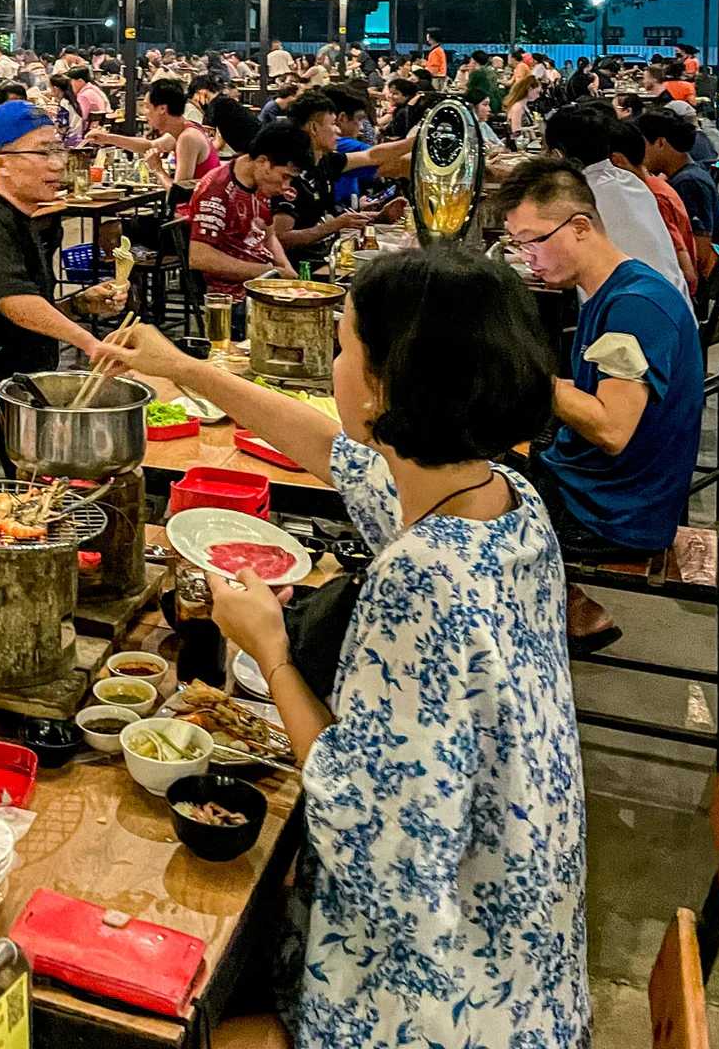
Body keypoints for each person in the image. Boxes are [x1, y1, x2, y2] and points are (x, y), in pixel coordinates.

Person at [101, 254, 587, 1049]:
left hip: (442, 1004)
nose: (331, 363)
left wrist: (272, 650)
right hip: (527, 970)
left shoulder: (423, 583)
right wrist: (186, 370)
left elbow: (365, 831)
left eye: (342, 345)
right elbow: (340, 455)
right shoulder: (505, 499)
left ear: (387, 384)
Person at [501, 156, 704, 653]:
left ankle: (542, 625)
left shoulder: (633, 307)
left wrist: (528, 375)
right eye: (518, 244)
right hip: (606, 484)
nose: (527, 257)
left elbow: (612, 428)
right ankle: (566, 609)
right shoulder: (615, 290)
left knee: (459, 484)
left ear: (580, 227)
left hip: (616, 511)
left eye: (533, 241)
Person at [0, 103, 108, 467]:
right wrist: (90, 342)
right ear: (2, 162)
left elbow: (17, 308)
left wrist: (78, 305)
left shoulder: (20, 219)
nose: (58, 164)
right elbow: (13, 301)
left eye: (58, 149)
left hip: (23, 408)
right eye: (43, 151)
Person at [542, 104, 691, 300]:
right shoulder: (630, 181)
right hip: (677, 308)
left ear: (557, 155)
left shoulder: (579, 197)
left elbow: (557, 274)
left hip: (632, 318)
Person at [186, 120, 309, 331]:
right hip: (232, 301)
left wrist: (289, 276)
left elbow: (269, 236)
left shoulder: (260, 184)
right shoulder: (217, 189)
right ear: (262, 161)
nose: (285, 186)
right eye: (285, 177)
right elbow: (200, 257)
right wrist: (271, 273)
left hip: (264, 287)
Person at [273, 92, 405, 268]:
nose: (338, 131)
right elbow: (281, 238)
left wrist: (379, 217)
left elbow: (371, 156)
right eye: (333, 124)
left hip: (328, 257)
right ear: (313, 128)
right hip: (305, 269)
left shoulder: (325, 161)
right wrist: (334, 225)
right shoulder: (290, 174)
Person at [85, 78, 219, 213]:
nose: (145, 112)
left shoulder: (187, 138)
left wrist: (157, 168)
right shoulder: (183, 130)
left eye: (147, 107)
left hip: (195, 218)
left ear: (162, 109)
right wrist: (108, 138)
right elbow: (149, 146)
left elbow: (178, 195)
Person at [604, 122, 696, 297]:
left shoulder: (651, 196)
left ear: (616, 161)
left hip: (668, 296)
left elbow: (682, 261)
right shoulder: (653, 185)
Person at [639, 108, 719, 279]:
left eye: (643, 145)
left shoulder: (688, 183)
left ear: (661, 143)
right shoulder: (684, 175)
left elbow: (700, 249)